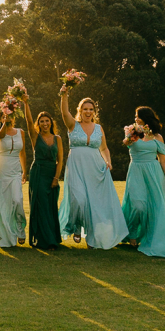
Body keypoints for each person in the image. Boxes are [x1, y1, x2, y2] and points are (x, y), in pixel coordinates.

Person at [57, 89, 127, 249]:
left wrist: (108, 162)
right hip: (76, 168)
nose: (88, 112)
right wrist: (64, 95)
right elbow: (64, 112)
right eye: (85, 109)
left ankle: (92, 238)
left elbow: (104, 148)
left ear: (94, 111)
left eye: (91, 109)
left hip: (96, 169)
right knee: (79, 200)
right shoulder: (73, 125)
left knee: (95, 205)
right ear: (79, 111)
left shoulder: (98, 128)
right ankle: (75, 227)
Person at [121, 106, 165, 258]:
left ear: (146, 118)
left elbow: (163, 160)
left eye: (138, 116)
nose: (136, 119)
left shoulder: (157, 137)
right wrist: (132, 135)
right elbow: (125, 143)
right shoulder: (132, 132)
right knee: (138, 205)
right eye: (135, 116)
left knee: (154, 207)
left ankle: (149, 238)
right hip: (136, 171)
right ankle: (131, 232)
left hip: (154, 173)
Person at [22, 98, 63, 250]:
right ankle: (44, 240)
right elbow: (28, 120)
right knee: (40, 206)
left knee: (50, 207)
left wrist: (56, 178)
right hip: (37, 173)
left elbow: (60, 161)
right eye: (42, 121)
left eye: (47, 121)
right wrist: (26, 103)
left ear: (51, 123)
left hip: (52, 174)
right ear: (38, 124)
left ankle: (52, 238)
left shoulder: (57, 139)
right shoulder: (35, 137)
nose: (45, 124)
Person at [0, 111, 27, 248]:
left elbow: (22, 152)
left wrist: (24, 171)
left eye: (11, 116)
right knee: (5, 205)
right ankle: (7, 236)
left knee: (17, 201)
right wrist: (4, 123)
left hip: (15, 172)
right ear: (0, 117)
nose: (8, 118)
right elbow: (0, 135)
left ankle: (20, 229)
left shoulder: (20, 132)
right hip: (1, 172)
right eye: (5, 116)